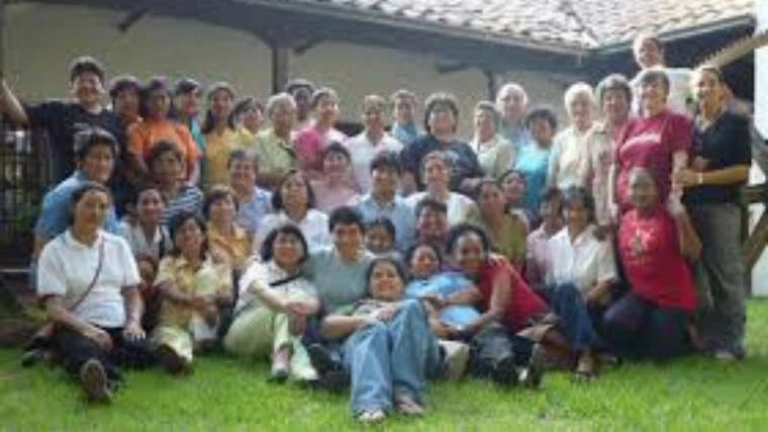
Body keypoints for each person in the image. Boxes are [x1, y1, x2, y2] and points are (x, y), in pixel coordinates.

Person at [36, 182, 154, 403]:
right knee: (84, 352)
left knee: (146, 351)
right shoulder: (54, 251)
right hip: (77, 327)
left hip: (118, 325)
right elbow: (54, 309)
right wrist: (89, 330)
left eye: (102, 207)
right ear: (73, 208)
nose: (96, 212)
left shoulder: (118, 245)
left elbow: (132, 293)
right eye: (89, 205)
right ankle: (103, 383)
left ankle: (66, 358)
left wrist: (134, 321)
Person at [447, 224, 601, 379]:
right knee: (501, 342)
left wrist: (463, 330)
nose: (472, 257)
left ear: (486, 252)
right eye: (464, 252)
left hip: (540, 319)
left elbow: (497, 311)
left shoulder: (498, 266)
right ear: (453, 256)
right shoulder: (454, 280)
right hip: (515, 335)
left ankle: (586, 355)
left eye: (477, 251)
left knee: (566, 290)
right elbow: (453, 299)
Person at [678, 66, 751, 360]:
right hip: (690, 209)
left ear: (722, 89)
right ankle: (707, 338)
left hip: (721, 208)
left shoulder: (735, 123)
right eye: (699, 84)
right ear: (692, 91)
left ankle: (732, 341)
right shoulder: (690, 125)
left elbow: (742, 171)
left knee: (724, 275)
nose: (705, 89)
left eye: (711, 83)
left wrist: (700, 178)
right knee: (697, 277)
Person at [319, 257, 441, 423]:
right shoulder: (359, 305)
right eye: (377, 276)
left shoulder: (415, 305)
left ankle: (406, 395)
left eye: (391, 275)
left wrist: (401, 311)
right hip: (368, 350)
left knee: (411, 307)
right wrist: (367, 318)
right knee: (374, 328)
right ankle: (371, 404)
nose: (384, 279)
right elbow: (327, 327)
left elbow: (437, 330)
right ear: (369, 286)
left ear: (402, 284)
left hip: (415, 356)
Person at [405, 243, 541, 387]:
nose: (427, 262)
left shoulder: (453, 277)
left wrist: (443, 301)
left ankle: (509, 365)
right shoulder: (407, 290)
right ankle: (518, 365)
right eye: (421, 259)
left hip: (476, 325)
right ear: (410, 266)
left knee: (491, 338)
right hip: (448, 333)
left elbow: (475, 293)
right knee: (474, 354)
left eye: (432, 259)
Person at [604, 168, 701, 361]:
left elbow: (694, 253)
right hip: (641, 295)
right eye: (635, 187)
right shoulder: (626, 219)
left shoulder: (670, 216)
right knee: (612, 324)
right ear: (627, 191)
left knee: (657, 353)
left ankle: (687, 336)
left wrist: (681, 217)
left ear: (657, 190)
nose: (640, 192)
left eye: (646, 187)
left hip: (672, 298)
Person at [0, 56, 127, 184]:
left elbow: (122, 161)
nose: (87, 86)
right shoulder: (58, 110)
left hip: (105, 192)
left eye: (92, 81)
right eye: (81, 81)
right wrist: (3, 86)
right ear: (72, 87)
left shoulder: (114, 121)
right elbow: (22, 116)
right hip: (68, 189)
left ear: (102, 88)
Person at [224, 225, 320, 382]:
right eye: (282, 241)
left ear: (303, 250)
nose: (288, 246)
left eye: (294, 241)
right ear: (271, 247)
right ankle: (283, 359)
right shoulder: (258, 268)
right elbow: (263, 291)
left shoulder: (306, 283)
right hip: (242, 334)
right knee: (286, 305)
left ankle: (301, 373)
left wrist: (303, 312)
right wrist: (288, 305)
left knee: (295, 304)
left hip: (278, 335)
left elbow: (314, 305)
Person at [544, 187, 617, 376]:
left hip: (592, 306)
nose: (574, 215)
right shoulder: (554, 243)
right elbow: (552, 283)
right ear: (562, 211)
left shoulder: (600, 239)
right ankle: (591, 352)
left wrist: (579, 303)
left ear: (589, 211)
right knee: (565, 290)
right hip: (563, 307)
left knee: (568, 292)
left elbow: (607, 282)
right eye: (569, 209)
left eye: (580, 210)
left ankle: (584, 354)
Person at [152, 212, 234, 374]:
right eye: (181, 231)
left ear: (203, 235)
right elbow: (167, 288)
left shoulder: (217, 263)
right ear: (174, 238)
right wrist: (192, 300)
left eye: (192, 229)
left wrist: (210, 299)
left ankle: (194, 342)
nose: (188, 234)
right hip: (175, 322)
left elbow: (227, 296)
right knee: (171, 337)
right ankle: (183, 359)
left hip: (206, 321)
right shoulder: (168, 262)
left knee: (206, 274)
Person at [33, 127, 122, 261]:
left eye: (108, 158)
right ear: (79, 161)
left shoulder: (103, 192)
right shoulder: (63, 194)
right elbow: (42, 247)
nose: (103, 164)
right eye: (96, 157)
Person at [613, 69, 692, 212]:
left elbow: (679, 162)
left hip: (657, 206)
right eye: (644, 86)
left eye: (655, 86)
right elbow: (616, 166)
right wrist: (612, 201)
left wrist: (675, 198)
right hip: (625, 206)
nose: (649, 90)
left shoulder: (676, 121)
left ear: (666, 92)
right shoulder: (630, 125)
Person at [400, 92, 484, 195]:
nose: (441, 114)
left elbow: (479, 180)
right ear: (428, 120)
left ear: (455, 119)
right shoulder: (415, 146)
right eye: (436, 111)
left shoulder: (466, 149)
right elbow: (408, 181)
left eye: (446, 111)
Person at [302, 207, 375, 315]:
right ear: (331, 234)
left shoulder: (372, 263)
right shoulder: (316, 258)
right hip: (317, 317)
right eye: (340, 233)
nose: (346, 239)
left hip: (357, 318)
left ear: (362, 235)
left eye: (353, 232)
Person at [120, 183, 172, 331]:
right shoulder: (125, 229)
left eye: (156, 202)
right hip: (127, 284)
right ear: (134, 208)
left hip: (152, 285)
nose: (150, 207)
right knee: (143, 268)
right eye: (145, 203)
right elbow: (121, 265)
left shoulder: (164, 233)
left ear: (164, 206)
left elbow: (166, 263)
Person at [128, 77, 199, 182]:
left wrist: (190, 184)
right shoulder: (136, 129)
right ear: (145, 103)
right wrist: (158, 184)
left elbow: (194, 164)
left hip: (182, 186)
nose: (159, 104)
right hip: (152, 186)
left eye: (163, 98)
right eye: (153, 99)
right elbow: (136, 160)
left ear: (170, 101)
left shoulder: (181, 130)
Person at [254, 170, 330, 252]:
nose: (294, 189)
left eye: (299, 185)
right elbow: (257, 255)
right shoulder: (269, 223)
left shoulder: (322, 220)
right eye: (288, 186)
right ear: (280, 194)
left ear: (308, 193)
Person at [591, 74, 632, 226]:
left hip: (633, 204)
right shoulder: (593, 135)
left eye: (619, 97)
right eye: (608, 98)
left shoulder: (639, 130)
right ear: (602, 104)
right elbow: (587, 175)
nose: (614, 102)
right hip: (602, 210)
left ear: (629, 101)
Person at [356, 151, 415, 253]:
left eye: (391, 172)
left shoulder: (408, 211)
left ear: (399, 178)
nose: (384, 176)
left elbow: (408, 246)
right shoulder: (357, 207)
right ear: (371, 175)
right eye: (380, 171)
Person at [346, 94, 403, 193]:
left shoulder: (397, 147)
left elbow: (400, 181)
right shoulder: (350, 146)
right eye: (368, 113)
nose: (373, 117)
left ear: (385, 116)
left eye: (377, 112)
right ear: (362, 116)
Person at [405, 151, 478, 225]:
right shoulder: (410, 204)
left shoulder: (465, 205)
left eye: (440, 168)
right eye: (429, 170)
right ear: (423, 178)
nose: (435, 174)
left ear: (448, 174)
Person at [547, 83, 597, 191]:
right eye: (573, 104)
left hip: (597, 197)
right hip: (566, 197)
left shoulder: (603, 133)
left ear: (593, 106)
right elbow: (552, 176)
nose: (579, 109)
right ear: (567, 109)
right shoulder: (560, 139)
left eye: (584, 104)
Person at [470, 180, 528, 271]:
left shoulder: (516, 222)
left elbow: (519, 262)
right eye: (485, 197)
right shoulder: (472, 227)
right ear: (478, 203)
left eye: (495, 195)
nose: (491, 201)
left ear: (504, 199)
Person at [631, 34, 693, 116]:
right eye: (641, 50)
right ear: (636, 57)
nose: (646, 53)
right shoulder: (632, 86)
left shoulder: (682, 76)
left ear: (661, 52)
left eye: (651, 49)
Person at [146, 141, 204, 225]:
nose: (165, 167)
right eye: (160, 162)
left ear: (181, 166)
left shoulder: (194, 195)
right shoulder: (148, 201)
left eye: (171, 162)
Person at [201, 82, 246, 188]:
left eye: (226, 99)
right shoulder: (200, 134)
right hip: (207, 192)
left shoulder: (244, 135)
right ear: (209, 104)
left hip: (235, 191)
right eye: (215, 99)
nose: (220, 104)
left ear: (232, 104)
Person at [294, 87, 347, 177]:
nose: (329, 109)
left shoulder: (343, 137)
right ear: (314, 110)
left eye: (333, 105)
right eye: (324, 105)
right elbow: (304, 169)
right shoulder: (306, 136)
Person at [515, 106, 557, 216]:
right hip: (520, 209)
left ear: (552, 129)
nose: (536, 130)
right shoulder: (523, 150)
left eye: (542, 126)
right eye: (532, 126)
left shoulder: (557, 151)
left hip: (543, 210)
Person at [253, 93, 299, 189]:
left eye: (290, 113)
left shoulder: (299, 139)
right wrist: (288, 178)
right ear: (270, 116)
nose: (285, 119)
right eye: (280, 114)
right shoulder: (260, 140)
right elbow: (259, 174)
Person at [204, 185, 252, 273]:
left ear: (236, 208)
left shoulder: (245, 235)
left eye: (228, 203)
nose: (224, 207)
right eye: (218, 204)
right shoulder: (202, 235)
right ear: (208, 210)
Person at [228, 150, 272, 238]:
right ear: (229, 170)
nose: (241, 172)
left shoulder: (268, 199)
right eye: (237, 167)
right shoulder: (219, 199)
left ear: (255, 173)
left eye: (247, 168)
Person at [526, 188, 565, 287]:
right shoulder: (533, 239)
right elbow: (532, 275)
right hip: (544, 289)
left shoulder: (570, 234)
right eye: (545, 207)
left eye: (555, 207)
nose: (551, 212)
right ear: (539, 210)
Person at [469, 101, 514, 180]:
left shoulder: (503, 146)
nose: (483, 119)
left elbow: (504, 178)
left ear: (495, 123)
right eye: (479, 116)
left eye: (488, 117)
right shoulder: (469, 146)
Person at [310, 142, 360, 213]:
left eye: (339, 158)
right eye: (330, 159)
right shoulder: (312, 189)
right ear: (323, 164)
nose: (335, 163)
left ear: (347, 163)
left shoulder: (354, 194)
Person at [172, 78, 206, 170]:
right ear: (174, 99)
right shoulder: (168, 126)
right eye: (187, 95)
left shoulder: (201, 126)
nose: (192, 99)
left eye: (196, 96)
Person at [496, 83, 533, 151]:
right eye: (506, 99)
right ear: (497, 104)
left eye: (517, 99)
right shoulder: (489, 130)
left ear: (525, 105)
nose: (511, 104)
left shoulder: (534, 132)